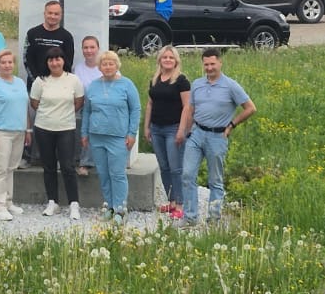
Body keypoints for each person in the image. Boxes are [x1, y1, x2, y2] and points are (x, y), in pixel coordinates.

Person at [177, 47, 256, 227]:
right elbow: (190, 109)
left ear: (220, 63)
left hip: (217, 136)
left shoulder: (231, 86)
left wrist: (232, 125)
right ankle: (190, 217)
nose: (209, 68)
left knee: (215, 179)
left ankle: (213, 219)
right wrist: (185, 131)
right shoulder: (197, 84)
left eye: (212, 64)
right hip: (196, 134)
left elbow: (250, 108)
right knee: (187, 174)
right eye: (206, 64)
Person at [80, 50, 140, 223]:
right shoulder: (93, 85)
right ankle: (109, 207)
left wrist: (132, 133)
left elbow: (135, 109)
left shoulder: (127, 84)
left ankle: (120, 210)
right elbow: (87, 111)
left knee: (117, 173)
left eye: (111, 64)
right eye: (104, 64)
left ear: (117, 65)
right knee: (103, 173)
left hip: (118, 136)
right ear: (99, 67)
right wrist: (84, 132)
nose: (107, 67)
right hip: (97, 136)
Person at [30, 47, 85, 220]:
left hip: (66, 128)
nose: (54, 63)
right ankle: (52, 202)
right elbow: (34, 103)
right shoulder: (40, 81)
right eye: (51, 60)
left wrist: (63, 113)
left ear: (63, 60)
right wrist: (50, 114)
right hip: (43, 128)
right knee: (49, 166)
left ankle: (74, 204)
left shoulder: (73, 80)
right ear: (47, 63)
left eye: (58, 59)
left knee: (68, 166)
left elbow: (79, 101)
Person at [0, 49, 31, 222]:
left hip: (19, 131)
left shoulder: (20, 82)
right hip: (1, 131)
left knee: (11, 168)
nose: (7, 65)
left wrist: (28, 130)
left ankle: (8, 201)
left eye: (10, 62)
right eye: (4, 63)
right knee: (0, 168)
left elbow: (24, 107)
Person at [23, 0, 75, 165]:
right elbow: (26, 59)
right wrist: (38, 80)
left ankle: (57, 158)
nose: (53, 16)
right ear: (44, 13)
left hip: (58, 89)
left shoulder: (66, 37)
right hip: (35, 85)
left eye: (56, 14)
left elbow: (68, 63)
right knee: (31, 121)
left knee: (56, 123)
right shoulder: (33, 33)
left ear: (61, 15)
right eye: (50, 13)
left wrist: (56, 82)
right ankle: (28, 157)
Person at [145, 45, 191, 219]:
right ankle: (171, 201)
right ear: (160, 60)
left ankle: (180, 204)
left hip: (174, 128)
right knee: (163, 167)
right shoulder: (155, 79)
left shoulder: (181, 80)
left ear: (176, 60)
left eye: (171, 57)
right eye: (165, 57)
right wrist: (146, 127)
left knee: (175, 168)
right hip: (156, 128)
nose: (168, 60)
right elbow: (150, 104)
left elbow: (187, 106)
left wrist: (182, 129)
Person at [73, 34, 103, 176]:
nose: (89, 50)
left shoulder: (105, 66)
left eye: (92, 47)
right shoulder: (78, 69)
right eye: (85, 48)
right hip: (84, 107)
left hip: (103, 108)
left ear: (98, 48)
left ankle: (87, 162)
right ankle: (82, 162)